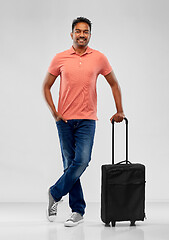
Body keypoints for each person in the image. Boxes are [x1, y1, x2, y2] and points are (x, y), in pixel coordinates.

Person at [43, 17, 125, 227]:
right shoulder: (60, 58)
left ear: (90, 35)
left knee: (81, 161)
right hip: (64, 121)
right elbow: (46, 86)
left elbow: (114, 83)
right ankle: (77, 211)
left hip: (88, 120)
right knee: (70, 165)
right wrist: (54, 112)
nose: (82, 35)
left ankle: (55, 192)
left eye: (86, 32)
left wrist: (120, 110)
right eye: (78, 31)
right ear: (71, 34)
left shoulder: (99, 58)